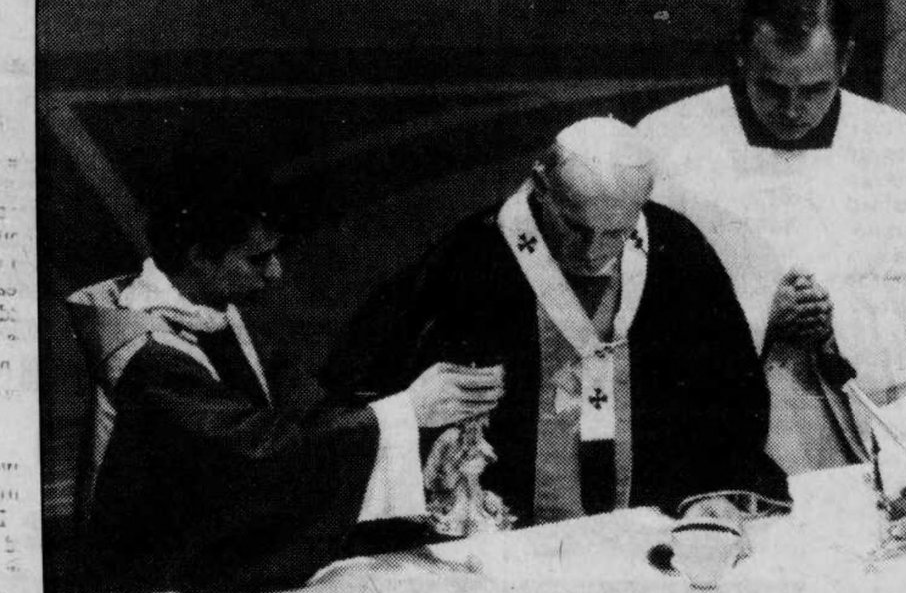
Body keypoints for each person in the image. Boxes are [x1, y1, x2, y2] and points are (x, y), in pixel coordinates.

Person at [324, 117, 787, 526]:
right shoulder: (472, 257)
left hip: (652, 511)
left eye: (615, 234)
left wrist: (712, 487)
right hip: (507, 520)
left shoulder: (675, 246)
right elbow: (379, 381)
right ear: (540, 186)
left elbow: (729, 384)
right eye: (577, 228)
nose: (592, 254)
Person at [69, 195, 502, 593]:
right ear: (199, 256)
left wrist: (421, 434)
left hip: (233, 544)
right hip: (171, 579)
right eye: (258, 258)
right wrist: (404, 413)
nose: (275, 272)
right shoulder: (148, 356)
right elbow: (258, 455)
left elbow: (310, 409)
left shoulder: (211, 312)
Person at [638, 0, 906, 474]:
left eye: (815, 89)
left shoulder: (902, 146)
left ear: (845, 61)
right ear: (742, 57)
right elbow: (631, 296)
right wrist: (759, 313)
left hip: (860, 418)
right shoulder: (667, 141)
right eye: (773, 88)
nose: (793, 110)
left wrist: (836, 320)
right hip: (707, 422)